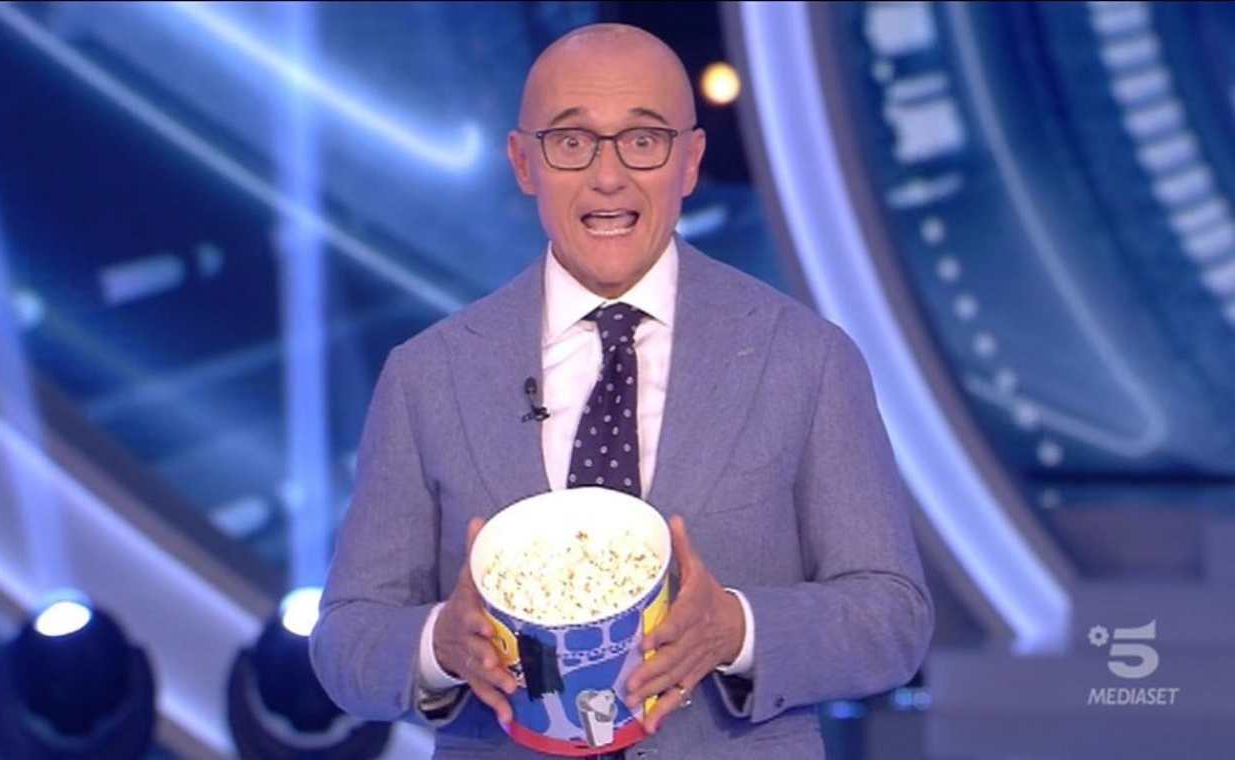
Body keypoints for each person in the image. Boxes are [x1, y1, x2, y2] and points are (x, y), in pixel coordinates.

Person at [310, 22, 933, 760]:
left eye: (643, 141)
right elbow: (345, 640)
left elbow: (892, 619)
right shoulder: (427, 375)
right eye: (572, 142)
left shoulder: (806, 358)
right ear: (523, 162)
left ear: (690, 160)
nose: (608, 177)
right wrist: (438, 644)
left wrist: (734, 629)